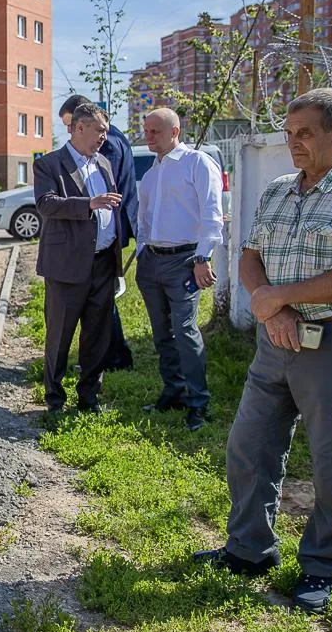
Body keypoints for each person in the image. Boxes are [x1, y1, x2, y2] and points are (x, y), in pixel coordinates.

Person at [194, 88, 332, 614]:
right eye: (289, 134)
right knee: (248, 448)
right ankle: (249, 550)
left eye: (306, 134)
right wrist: (274, 310)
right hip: (276, 341)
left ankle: (322, 566)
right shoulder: (276, 190)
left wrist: (284, 296)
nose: (294, 144)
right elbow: (249, 256)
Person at [136, 108, 224, 432]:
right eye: (146, 131)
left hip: (184, 262)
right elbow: (143, 219)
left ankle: (198, 403)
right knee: (162, 333)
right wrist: (143, 250)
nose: (148, 137)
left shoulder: (196, 163)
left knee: (186, 332)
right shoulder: (151, 174)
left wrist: (203, 258)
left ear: (175, 131)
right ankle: (173, 391)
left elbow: (213, 215)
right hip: (152, 262)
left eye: (155, 131)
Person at [34, 103, 122, 414]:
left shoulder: (104, 163)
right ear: (79, 128)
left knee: (98, 334)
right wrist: (90, 203)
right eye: (99, 131)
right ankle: (54, 400)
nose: (103, 137)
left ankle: (89, 397)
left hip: (102, 263)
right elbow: (47, 204)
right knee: (60, 334)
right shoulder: (50, 164)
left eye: (106, 132)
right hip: (66, 266)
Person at [58, 95, 137, 371]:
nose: (69, 133)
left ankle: (114, 356)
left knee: (102, 302)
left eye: (71, 125)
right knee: (103, 299)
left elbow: (99, 190)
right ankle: (112, 354)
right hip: (104, 231)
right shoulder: (115, 137)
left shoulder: (107, 145)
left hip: (105, 233)